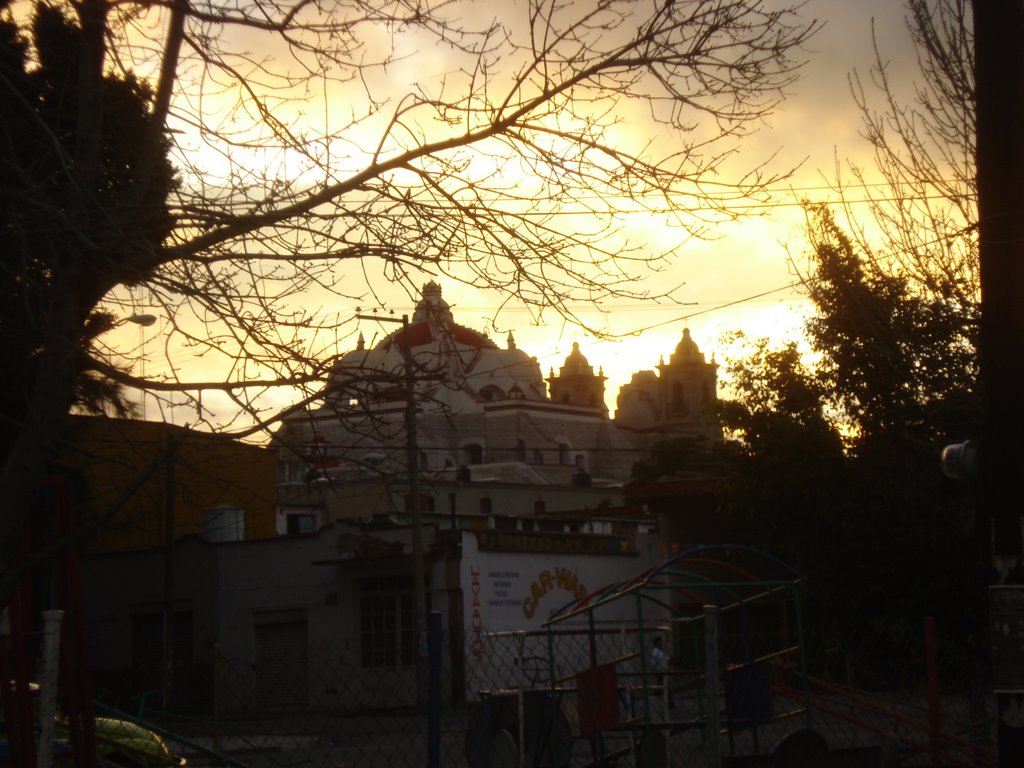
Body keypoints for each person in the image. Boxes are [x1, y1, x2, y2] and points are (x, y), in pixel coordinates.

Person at [650, 636, 674, 708]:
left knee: (662, 687)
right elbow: (653, 662)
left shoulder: (660, 651)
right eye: (661, 642)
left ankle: (668, 703)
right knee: (665, 687)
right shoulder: (656, 651)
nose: (662, 643)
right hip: (660, 671)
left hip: (663, 670)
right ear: (658, 642)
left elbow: (665, 659)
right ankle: (670, 704)